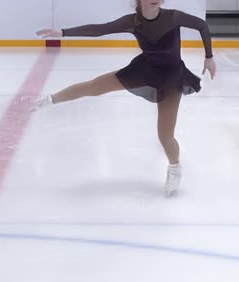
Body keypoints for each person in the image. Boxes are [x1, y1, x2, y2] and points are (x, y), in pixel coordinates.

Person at [35, 0, 217, 196]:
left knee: (165, 135)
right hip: (143, 70)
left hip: (171, 78)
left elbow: (202, 25)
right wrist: (63, 33)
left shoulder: (173, 17)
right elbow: (99, 30)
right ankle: (51, 99)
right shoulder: (132, 21)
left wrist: (209, 56)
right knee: (95, 86)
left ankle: (175, 167)